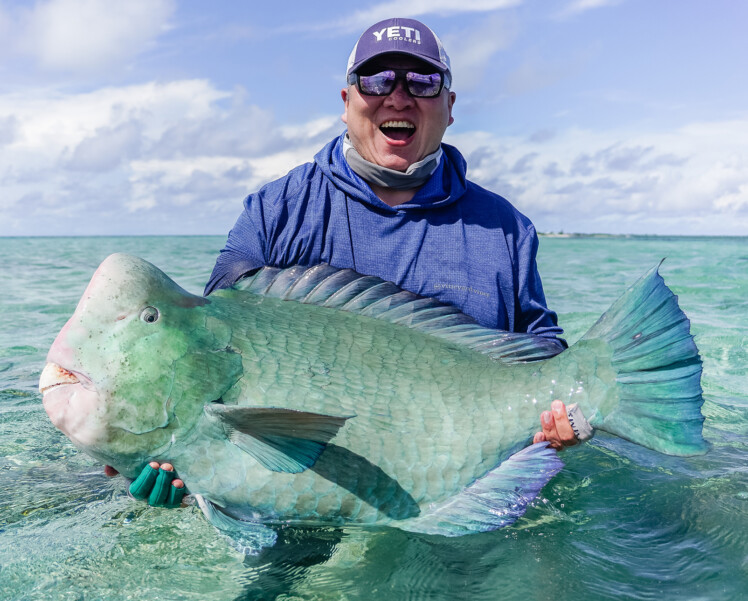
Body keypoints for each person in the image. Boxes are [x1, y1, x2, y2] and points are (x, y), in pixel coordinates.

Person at [115, 17, 581, 505]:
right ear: (346, 103)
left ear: (449, 106)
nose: (398, 97)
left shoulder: (505, 228)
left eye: (422, 81)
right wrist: (175, 453)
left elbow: (543, 350)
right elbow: (215, 354)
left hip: (458, 487)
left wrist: (560, 417)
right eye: (376, 79)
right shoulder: (275, 210)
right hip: (303, 497)